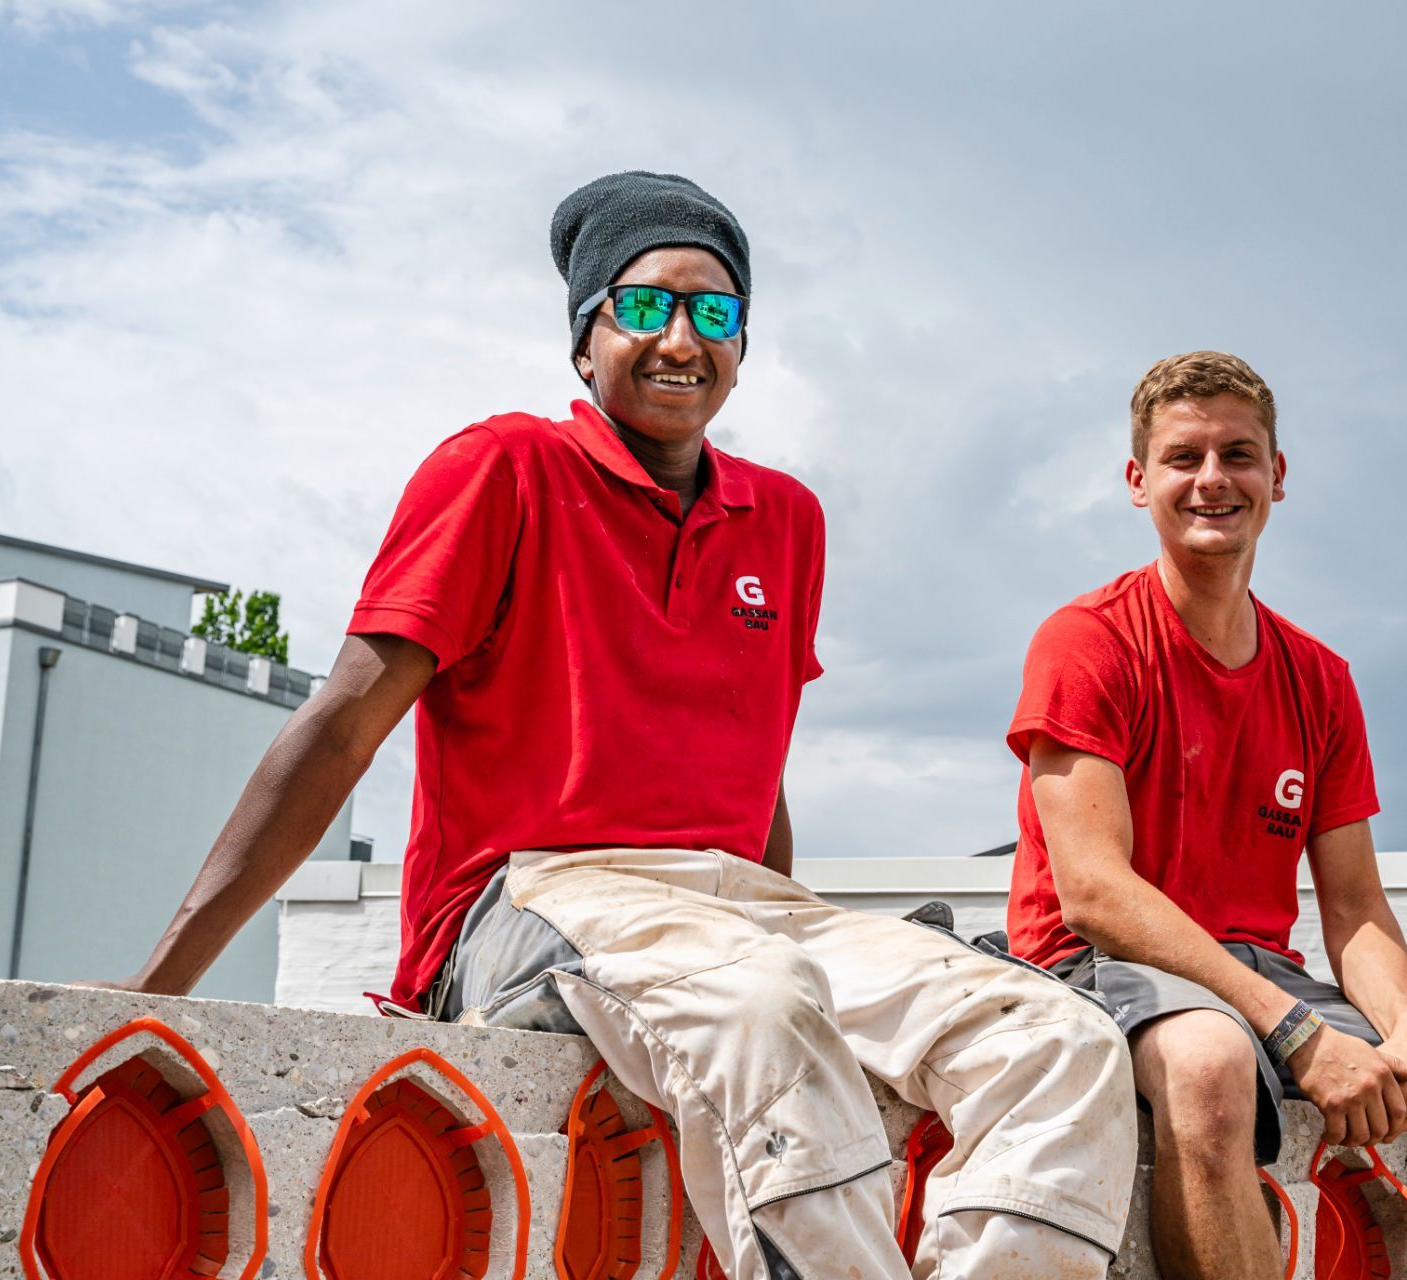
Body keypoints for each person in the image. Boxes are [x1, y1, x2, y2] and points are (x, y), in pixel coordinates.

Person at [108, 171, 1134, 1280]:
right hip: (534, 894)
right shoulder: (500, 468)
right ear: (584, 339)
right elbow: (343, 725)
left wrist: (797, 929)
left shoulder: (785, 517)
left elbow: (759, 769)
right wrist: (159, 981)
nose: (682, 338)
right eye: (643, 307)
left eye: (717, 312)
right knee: (762, 1002)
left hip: (734, 907)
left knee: (1056, 1038)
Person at [1005, 350, 1407, 1279]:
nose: (1213, 479)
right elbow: (1095, 893)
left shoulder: (1320, 678)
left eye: (1239, 454)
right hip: (1102, 966)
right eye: (1184, 458)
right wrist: (1298, 1034)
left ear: (1278, 476)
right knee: (1210, 1067)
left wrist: (1406, 1035)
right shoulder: (1089, 641)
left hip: (1261, 975)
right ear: (1139, 481)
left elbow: (1355, 908)